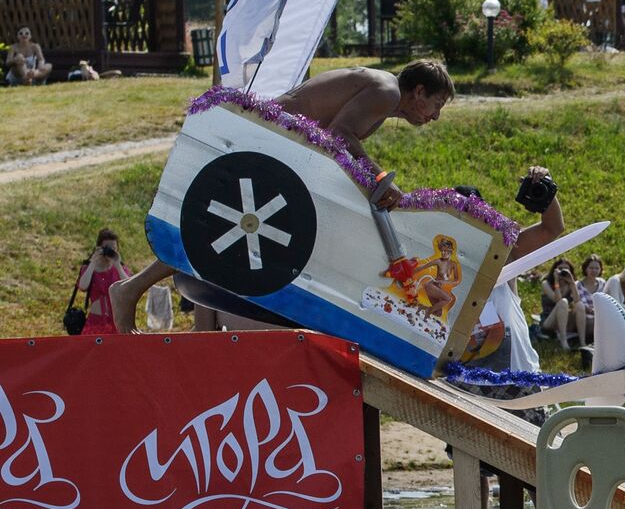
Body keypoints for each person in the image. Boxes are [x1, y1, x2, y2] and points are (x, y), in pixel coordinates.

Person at [109, 60, 456, 333]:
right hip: (268, 142)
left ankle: (132, 290)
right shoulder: (387, 92)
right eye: (436, 104)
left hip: (277, 146)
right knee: (216, 235)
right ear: (419, 91)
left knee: (219, 236)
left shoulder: (383, 92)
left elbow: (332, 140)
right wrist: (379, 177)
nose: (436, 117)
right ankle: (130, 290)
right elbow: (339, 134)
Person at [75, 229, 132, 335]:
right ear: (99, 248)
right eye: (107, 248)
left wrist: (118, 265)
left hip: (116, 322)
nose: (110, 251)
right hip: (95, 321)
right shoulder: (89, 268)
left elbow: (129, 287)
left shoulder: (120, 269)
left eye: (113, 249)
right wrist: (93, 262)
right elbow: (83, 286)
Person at [540, 259, 579, 349]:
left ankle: (582, 341)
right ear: (554, 269)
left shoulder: (570, 284)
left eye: (566, 269)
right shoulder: (546, 283)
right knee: (563, 302)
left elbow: (577, 301)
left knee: (579, 306)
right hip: (549, 320)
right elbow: (557, 300)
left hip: (564, 320)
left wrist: (572, 283)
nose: (562, 271)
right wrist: (556, 282)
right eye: (560, 268)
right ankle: (563, 340)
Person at [573, 253, 606, 346]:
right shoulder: (578, 285)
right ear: (586, 269)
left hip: (600, 316)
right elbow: (580, 304)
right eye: (591, 268)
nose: (594, 271)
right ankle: (582, 343)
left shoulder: (603, 283)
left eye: (597, 268)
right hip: (584, 319)